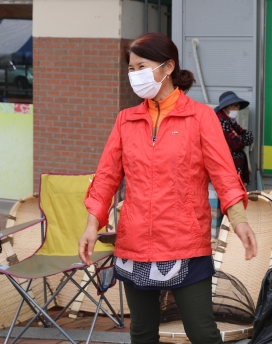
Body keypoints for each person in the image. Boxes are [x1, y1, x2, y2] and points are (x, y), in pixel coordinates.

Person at [79, 33, 258, 344]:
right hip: (134, 244)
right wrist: (92, 224)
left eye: (141, 66)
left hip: (185, 244)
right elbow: (106, 177)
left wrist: (240, 221)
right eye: (131, 68)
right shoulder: (126, 120)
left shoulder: (200, 117)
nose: (134, 75)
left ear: (167, 67)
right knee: (142, 333)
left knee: (202, 333)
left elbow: (225, 176)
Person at [214, 91, 254, 184]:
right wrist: (240, 141)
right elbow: (236, 144)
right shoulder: (221, 121)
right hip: (226, 169)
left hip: (234, 169)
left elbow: (248, 136)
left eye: (238, 106)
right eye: (234, 106)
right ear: (226, 107)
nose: (237, 108)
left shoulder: (231, 122)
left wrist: (240, 140)